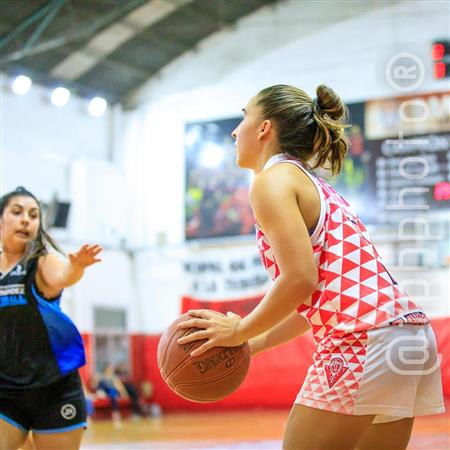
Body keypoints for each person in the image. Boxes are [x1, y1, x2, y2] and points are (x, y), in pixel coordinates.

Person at [177, 85, 445, 450]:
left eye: (243, 116)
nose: (235, 130)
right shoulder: (312, 183)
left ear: (264, 128)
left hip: (363, 337)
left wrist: (238, 329)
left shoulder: (270, 182)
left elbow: (300, 279)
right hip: (407, 335)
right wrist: (252, 344)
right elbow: (314, 301)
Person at [0, 187, 102, 450]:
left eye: (34, 215)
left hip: (54, 389)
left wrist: (76, 267)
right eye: (17, 212)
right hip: (6, 389)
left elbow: (62, 275)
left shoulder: (41, 262)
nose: (26, 219)